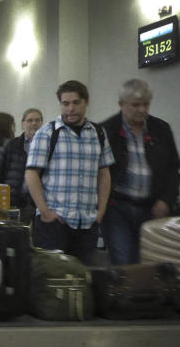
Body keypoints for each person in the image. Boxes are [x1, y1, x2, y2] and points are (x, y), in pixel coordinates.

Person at [25, 80, 114, 265]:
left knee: (83, 280)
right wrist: (45, 212)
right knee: (52, 281)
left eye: (76, 102)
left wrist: (101, 211)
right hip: (55, 222)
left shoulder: (98, 133)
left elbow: (104, 173)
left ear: (86, 102)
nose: (71, 109)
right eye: (65, 104)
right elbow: (31, 174)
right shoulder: (47, 133)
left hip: (87, 222)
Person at [100, 78, 180, 264]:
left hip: (152, 208)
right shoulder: (107, 131)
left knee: (151, 261)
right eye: (135, 105)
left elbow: (174, 170)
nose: (142, 110)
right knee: (124, 261)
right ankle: (126, 293)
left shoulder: (161, 129)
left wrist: (166, 200)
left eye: (146, 104)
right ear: (121, 104)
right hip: (117, 208)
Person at [0, 108, 44, 222]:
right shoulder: (12, 145)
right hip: (15, 201)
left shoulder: (47, 146)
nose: (34, 123)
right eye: (30, 120)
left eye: (37, 120)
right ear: (23, 124)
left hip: (39, 202)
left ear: (42, 123)